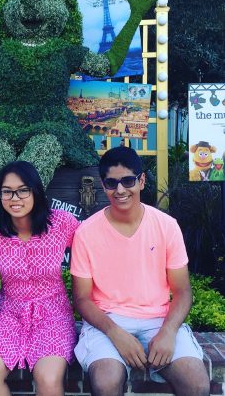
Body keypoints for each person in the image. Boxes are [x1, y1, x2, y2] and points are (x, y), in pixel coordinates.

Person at [71, 147, 209, 395]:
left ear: (142, 180)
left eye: (128, 180)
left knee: (196, 382)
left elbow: (182, 291)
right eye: (111, 183)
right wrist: (115, 333)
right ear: (103, 186)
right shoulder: (86, 232)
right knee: (106, 381)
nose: (120, 190)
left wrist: (168, 331)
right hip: (108, 321)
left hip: (158, 320)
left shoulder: (166, 226)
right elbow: (82, 298)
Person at [0, 161, 80, 396]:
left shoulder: (61, 223)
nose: (15, 198)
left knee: (48, 377)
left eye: (23, 190)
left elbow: (93, 248)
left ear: (35, 191)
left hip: (53, 313)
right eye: (7, 191)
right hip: (9, 312)